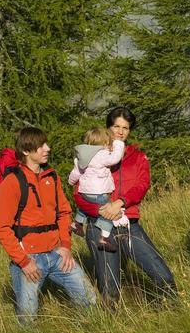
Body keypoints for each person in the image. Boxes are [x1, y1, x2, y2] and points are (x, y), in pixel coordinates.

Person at [74, 107, 178, 305]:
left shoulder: (137, 157)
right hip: (99, 225)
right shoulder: (92, 155)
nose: (121, 132)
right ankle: (109, 329)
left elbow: (142, 185)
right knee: (110, 288)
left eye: (126, 128)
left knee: (162, 274)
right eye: (116, 126)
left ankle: (174, 313)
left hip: (128, 223)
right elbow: (78, 194)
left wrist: (120, 203)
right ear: (108, 127)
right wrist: (101, 210)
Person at [0, 126, 95, 324]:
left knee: (90, 301)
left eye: (46, 144)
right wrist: (23, 262)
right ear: (26, 151)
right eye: (41, 146)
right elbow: (3, 228)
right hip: (29, 259)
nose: (47, 148)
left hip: (57, 254)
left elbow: (64, 212)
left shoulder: (52, 176)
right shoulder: (12, 182)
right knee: (28, 319)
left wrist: (65, 245)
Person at [68, 126, 125, 252]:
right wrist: (119, 143)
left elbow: (75, 174)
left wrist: (70, 182)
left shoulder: (80, 157)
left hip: (85, 192)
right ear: (104, 143)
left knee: (84, 208)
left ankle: (76, 224)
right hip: (99, 192)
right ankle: (104, 239)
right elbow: (115, 158)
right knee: (108, 212)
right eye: (108, 143)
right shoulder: (101, 155)